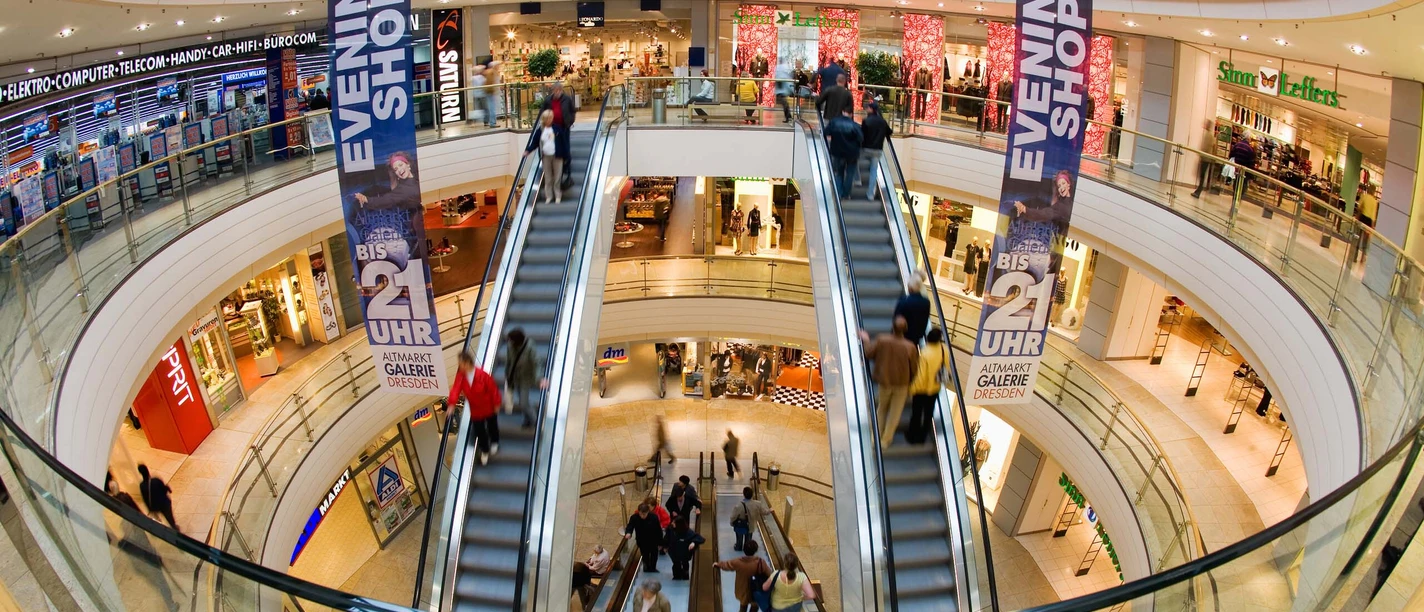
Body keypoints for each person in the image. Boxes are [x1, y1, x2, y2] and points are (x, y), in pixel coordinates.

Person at [859, 316, 919, 447]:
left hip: (884, 382)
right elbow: (914, 369)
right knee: (895, 414)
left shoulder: (882, 339)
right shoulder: (910, 347)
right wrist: (911, 382)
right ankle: (886, 441)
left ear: (893, 327)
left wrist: (866, 339)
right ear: (905, 329)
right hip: (902, 384)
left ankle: (875, 438)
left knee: (881, 409)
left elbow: (868, 353)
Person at [447, 350, 502, 465]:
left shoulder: (482, 375)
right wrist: (451, 404)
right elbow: (456, 389)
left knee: (492, 425)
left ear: (467, 363)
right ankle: (485, 450)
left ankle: (495, 442)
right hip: (476, 409)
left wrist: (496, 403)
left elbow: (493, 390)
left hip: (488, 406)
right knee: (480, 430)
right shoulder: (461, 376)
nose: (459, 365)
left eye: (460, 363)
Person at [907, 328, 948, 444]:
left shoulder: (925, 353)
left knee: (917, 413)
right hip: (935, 388)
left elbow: (921, 376)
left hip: (922, 390)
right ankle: (923, 436)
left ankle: (912, 436)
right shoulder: (944, 350)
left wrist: (912, 389)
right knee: (928, 413)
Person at [504, 328, 547, 428]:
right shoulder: (510, 346)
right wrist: (508, 374)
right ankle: (527, 419)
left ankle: (535, 421)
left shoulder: (529, 346)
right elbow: (509, 361)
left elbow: (537, 362)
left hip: (526, 377)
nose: (509, 342)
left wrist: (539, 378)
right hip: (515, 377)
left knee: (523, 402)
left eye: (511, 340)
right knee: (522, 400)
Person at [716, 539, 772, 612]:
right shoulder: (760, 562)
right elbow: (770, 574)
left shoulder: (738, 562)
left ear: (744, 550)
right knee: (754, 607)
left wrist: (718, 564)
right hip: (756, 590)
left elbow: (727, 565)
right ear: (755, 551)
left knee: (743, 607)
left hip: (743, 590)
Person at [539, 82, 577, 185]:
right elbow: (543, 111)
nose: (556, 93)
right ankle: (557, 169)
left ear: (561, 90)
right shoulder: (548, 100)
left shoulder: (567, 99)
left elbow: (572, 111)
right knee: (555, 147)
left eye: (558, 91)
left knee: (565, 147)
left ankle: (567, 169)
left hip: (564, 128)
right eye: (554, 91)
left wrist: (570, 121)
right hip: (553, 129)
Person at [825, 107, 863, 199]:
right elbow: (861, 138)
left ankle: (839, 193)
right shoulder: (855, 125)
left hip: (837, 152)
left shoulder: (834, 122)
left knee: (839, 173)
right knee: (850, 174)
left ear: (843, 112)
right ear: (851, 114)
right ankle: (846, 194)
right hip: (852, 153)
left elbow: (826, 132)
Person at [526, 110, 563, 204]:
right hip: (546, 156)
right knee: (548, 177)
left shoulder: (557, 128)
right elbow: (534, 142)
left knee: (557, 176)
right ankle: (549, 196)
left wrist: (565, 154)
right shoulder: (540, 130)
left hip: (557, 155)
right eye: (548, 118)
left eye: (551, 118)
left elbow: (564, 142)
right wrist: (528, 150)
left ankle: (558, 195)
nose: (550, 120)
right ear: (544, 119)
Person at [860, 101, 893, 200]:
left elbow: (862, 134)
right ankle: (870, 194)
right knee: (873, 171)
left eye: (868, 107)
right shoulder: (882, 122)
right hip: (877, 150)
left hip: (866, 148)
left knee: (855, 160)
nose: (866, 109)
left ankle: (856, 180)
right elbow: (889, 132)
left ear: (871, 109)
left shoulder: (866, 121)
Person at [136, 464, 179, 532]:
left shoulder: (142, 486)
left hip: (155, 506)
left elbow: (145, 499)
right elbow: (164, 490)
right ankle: (175, 528)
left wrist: (149, 508)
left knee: (160, 520)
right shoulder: (156, 480)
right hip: (164, 504)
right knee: (170, 519)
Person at [624, 503, 665, 572]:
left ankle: (653, 568)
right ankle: (646, 567)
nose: (642, 516)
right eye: (640, 514)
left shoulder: (654, 517)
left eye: (644, 514)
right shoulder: (634, 517)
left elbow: (658, 530)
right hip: (642, 541)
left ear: (648, 512)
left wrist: (661, 543)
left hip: (653, 541)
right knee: (645, 555)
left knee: (654, 556)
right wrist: (628, 532)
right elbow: (630, 526)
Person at [893, 272, 932, 345]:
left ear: (910, 288)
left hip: (902, 337)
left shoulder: (904, 301)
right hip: (916, 337)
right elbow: (925, 319)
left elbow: (896, 319)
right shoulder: (926, 302)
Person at [728, 486, 769, 552]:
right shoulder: (757, 504)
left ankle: (738, 547)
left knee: (739, 538)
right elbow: (764, 512)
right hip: (751, 526)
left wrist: (732, 523)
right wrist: (770, 511)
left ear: (744, 494)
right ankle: (747, 549)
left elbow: (733, 516)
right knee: (748, 538)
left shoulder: (739, 506)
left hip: (740, 526)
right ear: (752, 494)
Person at [666, 516, 705, 580]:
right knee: (676, 564)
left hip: (684, 553)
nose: (672, 523)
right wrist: (664, 546)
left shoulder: (687, 532)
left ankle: (685, 574)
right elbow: (667, 538)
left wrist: (693, 543)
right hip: (674, 552)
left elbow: (700, 538)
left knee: (685, 564)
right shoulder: (671, 530)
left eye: (674, 522)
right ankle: (677, 576)